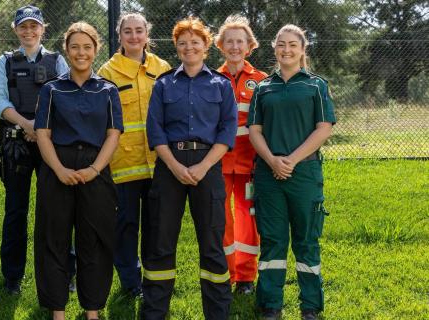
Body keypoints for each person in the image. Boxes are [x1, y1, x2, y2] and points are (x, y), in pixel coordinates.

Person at [143, 17, 238, 320]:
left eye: (195, 42)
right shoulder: (164, 83)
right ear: (177, 47)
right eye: (182, 43)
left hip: (207, 168)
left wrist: (203, 166)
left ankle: (218, 313)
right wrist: (173, 165)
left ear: (206, 46)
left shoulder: (221, 85)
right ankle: (155, 312)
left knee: (212, 242)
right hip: (168, 168)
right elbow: (154, 129)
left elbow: (227, 130)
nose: (189, 47)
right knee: (160, 241)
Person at [33, 21, 123, 320]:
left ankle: (92, 309)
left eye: (87, 47)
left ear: (95, 50)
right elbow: (43, 134)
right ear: (66, 51)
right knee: (53, 237)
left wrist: (96, 169)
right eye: (75, 47)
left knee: (95, 239)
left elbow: (113, 134)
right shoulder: (52, 89)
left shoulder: (108, 90)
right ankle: (57, 309)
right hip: (56, 169)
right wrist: (58, 169)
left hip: (95, 171)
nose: (81, 53)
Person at [247, 24, 335, 320]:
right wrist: (272, 160)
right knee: (272, 240)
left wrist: (291, 160)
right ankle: (270, 304)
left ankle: (310, 306)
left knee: (306, 240)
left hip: (305, 173)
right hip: (268, 175)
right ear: (274, 48)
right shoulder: (263, 87)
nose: (286, 50)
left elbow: (324, 129)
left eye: (292, 45)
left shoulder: (315, 85)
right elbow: (254, 130)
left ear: (302, 49)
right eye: (281, 44)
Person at [0, 4, 72, 295]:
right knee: (16, 210)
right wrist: (27, 124)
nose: (28, 31)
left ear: (42, 29)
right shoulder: (5, 62)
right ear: (16, 30)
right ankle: (13, 277)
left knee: (57, 212)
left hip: (51, 144)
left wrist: (42, 128)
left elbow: (66, 97)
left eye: (33, 26)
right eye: (23, 26)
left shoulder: (58, 61)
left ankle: (65, 273)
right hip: (15, 144)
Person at [97, 12, 171, 298]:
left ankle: (154, 278)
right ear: (120, 36)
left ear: (147, 35)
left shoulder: (162, 68)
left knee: (156, 224)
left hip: (158, 163)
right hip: (122, 165)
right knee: (125, 225)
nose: (134, 36)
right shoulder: (108, 72)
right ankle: (131, 282)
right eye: (128, 31)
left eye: (139, 31)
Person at [214, 15, 267, 294]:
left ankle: (246, 278)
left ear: (249, 47)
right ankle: (226, 273)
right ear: (220, 46)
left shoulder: (262, 81)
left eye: (240, 41)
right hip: (218, 164)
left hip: (251, 165)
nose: (234, 46)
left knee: (248, 219)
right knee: (221, 219)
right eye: (229, 41)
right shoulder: (210, 79)